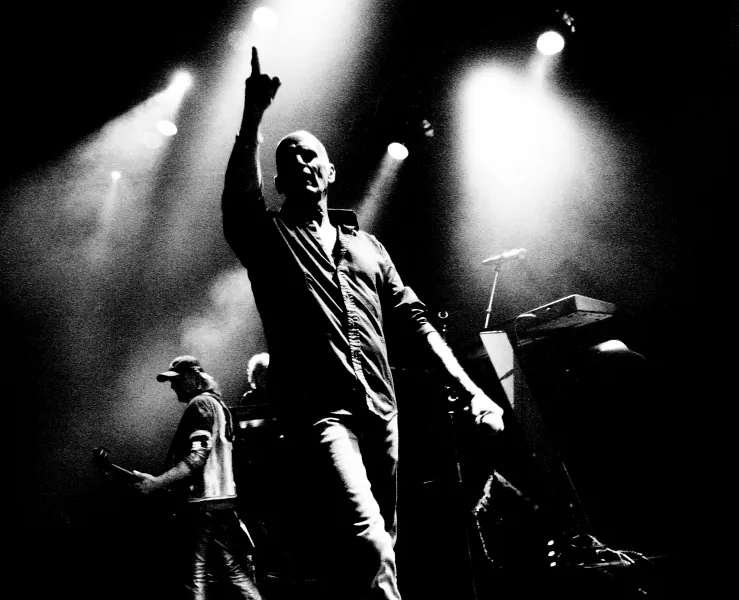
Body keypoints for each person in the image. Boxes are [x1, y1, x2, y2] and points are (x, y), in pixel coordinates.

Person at [221, 47, 505, 599]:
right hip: (321, 415)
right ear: (279, 180)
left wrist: (471, 391)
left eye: (310, 155)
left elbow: (415, 321)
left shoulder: (369, 248)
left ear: (330, 172)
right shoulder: (272, 239)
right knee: (371, 543)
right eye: (288, 159)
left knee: (375, 553)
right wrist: (253, 116)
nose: (300, 162)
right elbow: (238, 201)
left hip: (382, 410)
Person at [133, 355, 262, 600]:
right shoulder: (217, 404)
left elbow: (197, 457)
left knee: (195, 574)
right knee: (233, 571)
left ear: (194, 377)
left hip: (203, 503)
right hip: (222, 501)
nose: (173, 386)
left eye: (177, 380)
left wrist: (157, 483)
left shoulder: (200, 404)